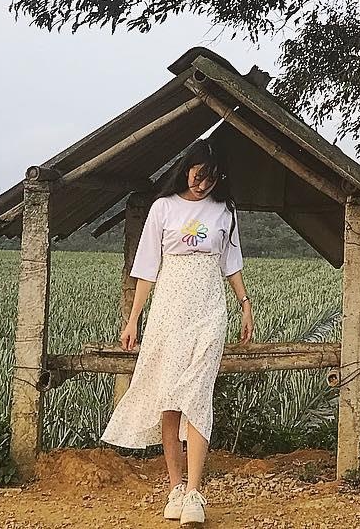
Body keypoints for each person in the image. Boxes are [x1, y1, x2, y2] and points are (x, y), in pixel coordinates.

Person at [101, 138, 253, 525]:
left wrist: (245, 305)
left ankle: (195, 493)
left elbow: (231, 262)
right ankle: (175, 488)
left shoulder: (225, 210)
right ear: (186, 169)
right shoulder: (163, 208)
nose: (202, 185)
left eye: (211, 179)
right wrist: (133, 319)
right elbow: (146, 267)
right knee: (169, 399)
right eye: (198, 176)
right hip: (168, 311)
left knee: (198, 396)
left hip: (209, 310)